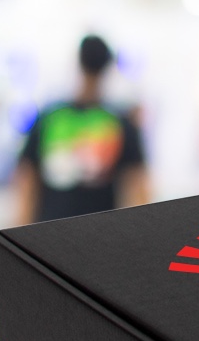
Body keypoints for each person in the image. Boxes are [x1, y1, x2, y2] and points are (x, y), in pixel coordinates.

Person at [14, 35, 149, 224]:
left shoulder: (50, 116)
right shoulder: (120, 123)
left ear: (78, 62)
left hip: (48, 230)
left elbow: (27, 179)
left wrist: (20, 228)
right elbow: (138, 187)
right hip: (99, 232)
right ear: (108, 67)